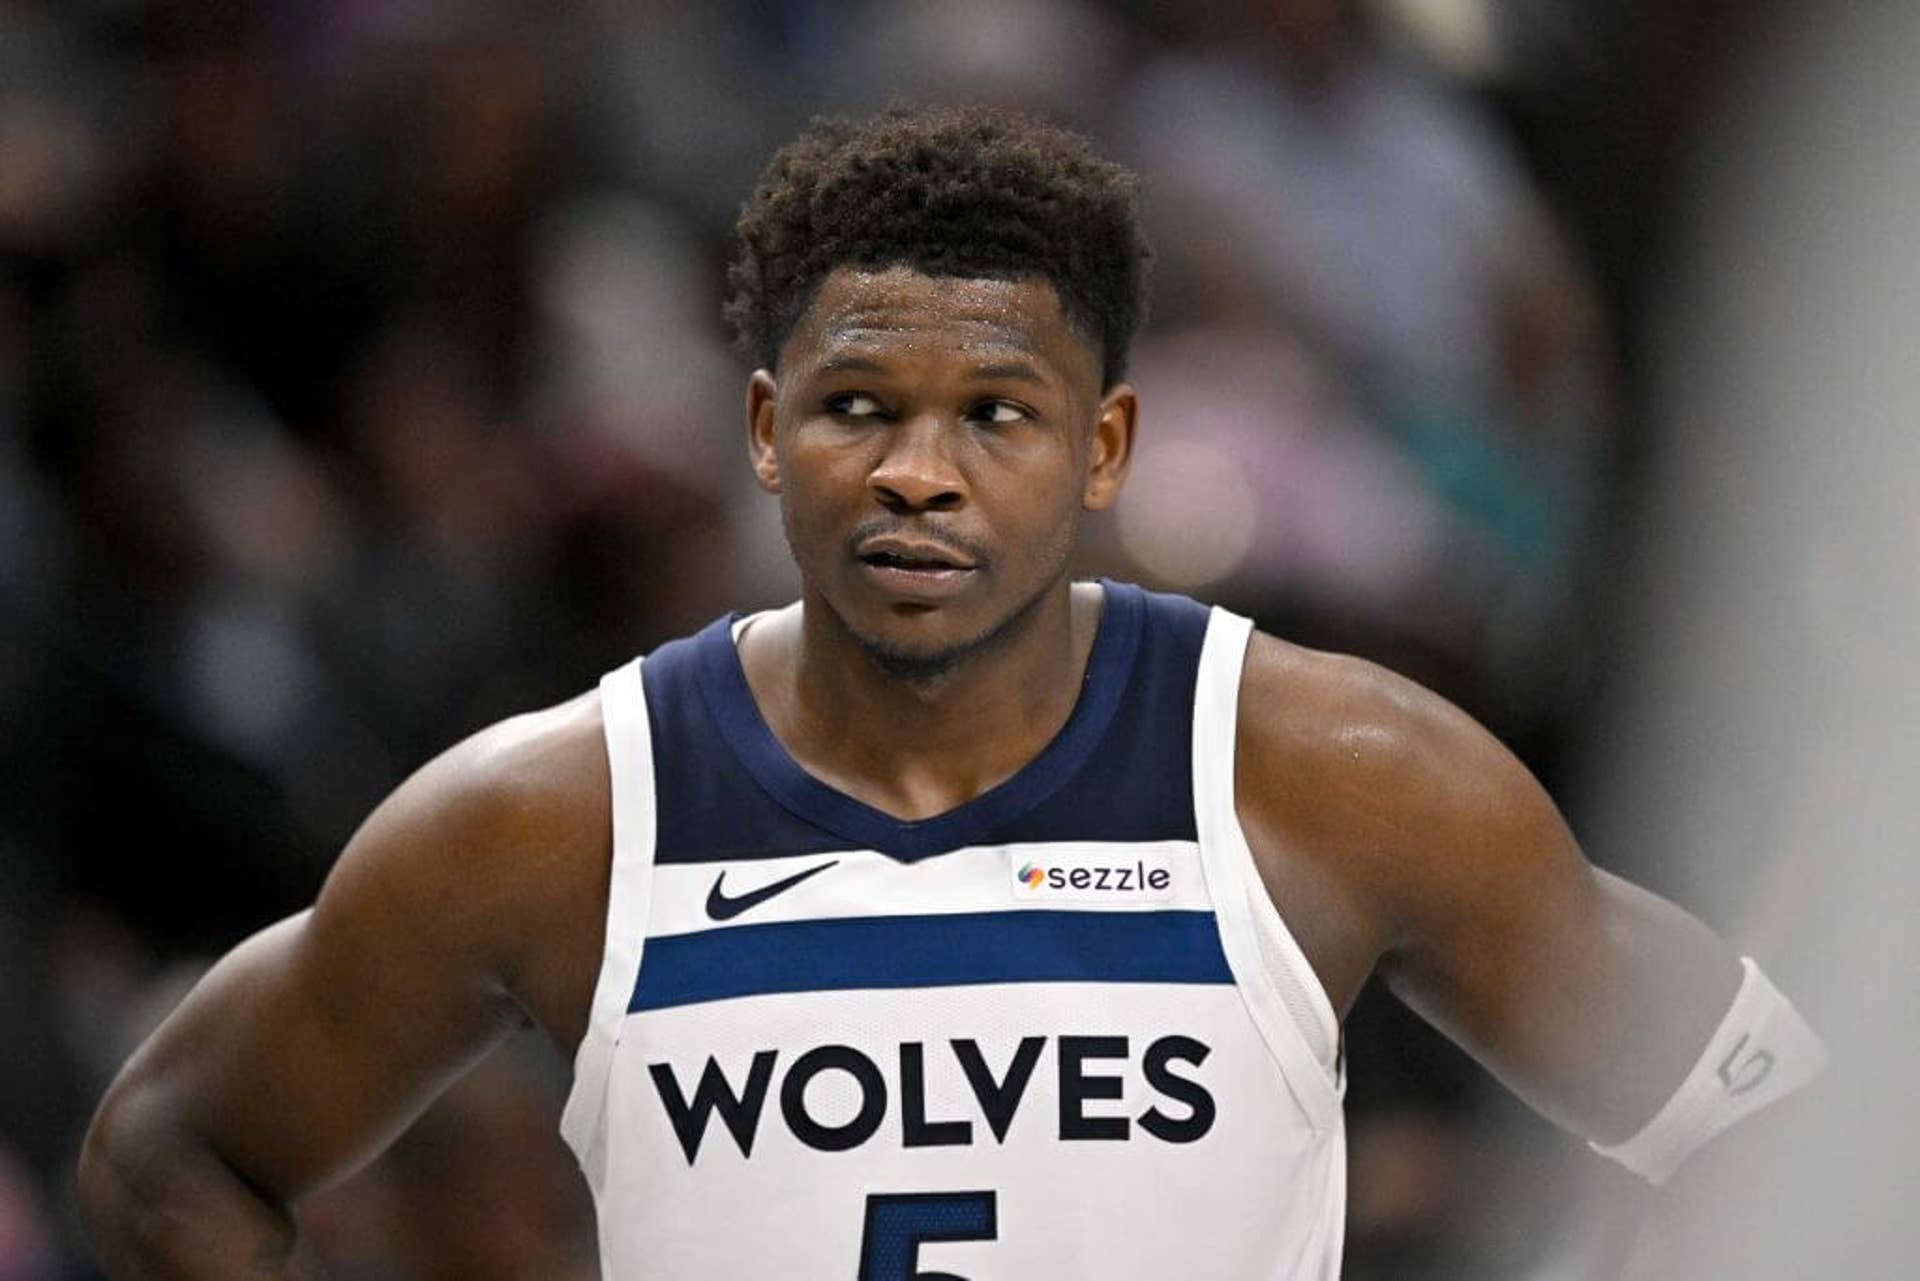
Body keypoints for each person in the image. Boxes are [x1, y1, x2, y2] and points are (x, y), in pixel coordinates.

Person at [78, 106, 1823, 1280]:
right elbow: (168, 1142)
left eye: (995, 414)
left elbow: (1770, 1119)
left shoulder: (1333, 771)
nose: (920, 472)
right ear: (766, 431)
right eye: (859, 409)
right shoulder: (560, 814)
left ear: (1104, 449)